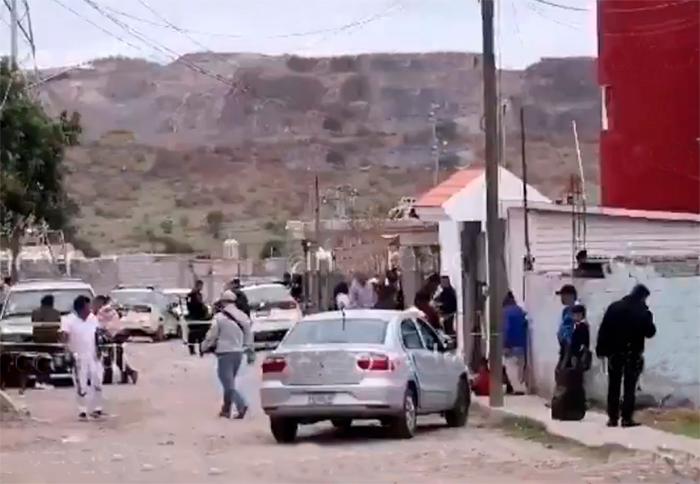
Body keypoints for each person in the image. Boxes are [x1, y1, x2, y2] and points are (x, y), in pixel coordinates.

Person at [596, 284, 656, 428]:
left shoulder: (614, 307)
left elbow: (604, 329)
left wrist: (601, 350)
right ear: (643, 297)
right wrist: (648, 317)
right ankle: (626, 418)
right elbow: (650, 332)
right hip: (632, 354)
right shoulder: (642, 311)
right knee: (629, 387)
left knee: (613, 386)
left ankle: (612, 418)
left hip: (614, 353)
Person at [201, 290, 253, 419]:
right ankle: (226, 410)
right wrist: (248, 348)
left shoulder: (219, 318)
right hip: (238, 353)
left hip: (224, 353)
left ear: (223, 302)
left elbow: (212, 336)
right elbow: (249, 335)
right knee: (229, 383)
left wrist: (204, 347)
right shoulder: (243, 316)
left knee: (227, 384)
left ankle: (241, 404)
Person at [61, 295, 104, 420]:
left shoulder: (92, 318)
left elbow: (96, 334)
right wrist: (65, 342)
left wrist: (99, 350)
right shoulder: (68, 320)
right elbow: (64, 337)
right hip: (78, 355)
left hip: (93, 354)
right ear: (79, 309)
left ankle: (97, 408)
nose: (89, 310)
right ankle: (82, 410)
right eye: (86, 308)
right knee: (81, 383)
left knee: (97, 380)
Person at [551, 304, 591, 421]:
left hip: (575, 357)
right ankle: (565, 405)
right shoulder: (573, 326)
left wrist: (577, 356)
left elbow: (584, 344)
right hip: (569, 356)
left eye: (578, 315)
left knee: (574, 382)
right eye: (574, 314)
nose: (575, 317)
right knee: (566, 380)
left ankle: (574, 406)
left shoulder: (582, 327)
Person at [93, 295, 138, 385]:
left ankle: (111, 378)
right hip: (117, 335)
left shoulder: (103, 311)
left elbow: (99, 325)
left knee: (109, 357)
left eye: (95, 303)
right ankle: (126, 375)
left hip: (111, 337)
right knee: (117, 357)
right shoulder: (111, 310)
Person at [502, 291, 528, 395]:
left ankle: (518, 389)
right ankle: (520, 386)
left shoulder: (505, 312)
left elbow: (506, 328)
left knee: (511, 367)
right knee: (519, 367)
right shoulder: (520, 311)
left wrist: (505, 344)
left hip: (511, 344)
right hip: (521, 343)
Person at [556, 284, 578, 364]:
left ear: (571, 296)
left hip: (569, 348)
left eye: (563, 295)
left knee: (565, 373)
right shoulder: (566, 311)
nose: (561, 298)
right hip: (564, 347)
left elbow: (570, 333)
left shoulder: (575, 311)